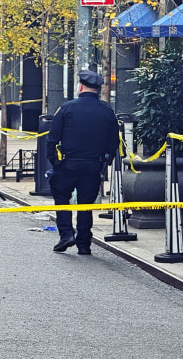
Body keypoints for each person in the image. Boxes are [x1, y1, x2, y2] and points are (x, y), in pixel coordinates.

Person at [47, 70, 119, 255]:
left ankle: (65, 235)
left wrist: (54, 161)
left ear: (80, 86)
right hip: (93, 165)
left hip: (68, 164)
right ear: (97, 89)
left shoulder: (67, 108)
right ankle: (84, 243)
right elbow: (114, 142)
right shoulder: (107, 112)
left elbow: (52, 138)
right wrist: (106, 163)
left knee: (62, 199)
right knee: (86, 204)